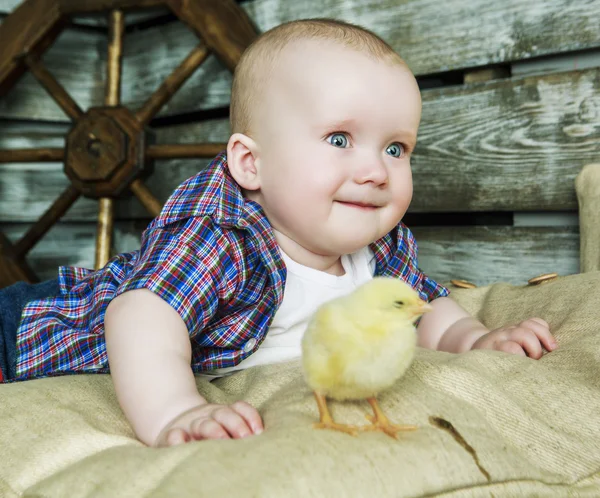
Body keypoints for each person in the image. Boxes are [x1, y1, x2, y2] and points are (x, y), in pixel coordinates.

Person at [0, 19, 557, 447]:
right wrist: (176, 411)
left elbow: (422, 306)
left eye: (396, 148)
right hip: (32, 333)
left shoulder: (379, 246)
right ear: (251, 165)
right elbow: (141, 315)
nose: (375, 170)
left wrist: (474, 341)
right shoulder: (224, 236)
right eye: (339, 139)